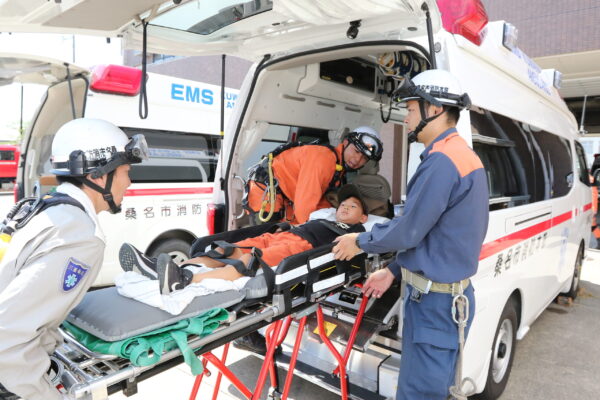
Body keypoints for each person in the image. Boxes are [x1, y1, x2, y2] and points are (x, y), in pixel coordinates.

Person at [333, 69, 489, 400]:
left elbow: (410, 230)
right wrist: (393, 270)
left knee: (418, 394)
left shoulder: (442, 161)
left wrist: (358, 241)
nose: (406, 117)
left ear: (435, 109)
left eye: (411, 109)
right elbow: (437, 234)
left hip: (435, 305)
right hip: (445, 301)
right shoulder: (460, 154)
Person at [0, 118, 147, 400]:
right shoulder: (78, 237)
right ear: (98, 175)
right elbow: (7, 335)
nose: (129, 182)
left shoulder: (48, 208)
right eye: (126, 171)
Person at [120, 184, 368, 296]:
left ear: (364, 216)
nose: (345, 207)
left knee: (248, 262)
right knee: (226, 250)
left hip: (300, 247)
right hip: (280, 235)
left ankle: (186, 280)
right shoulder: (322, 217)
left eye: (352, 206)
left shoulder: (358, 233)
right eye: (343, 204)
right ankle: (167, 269)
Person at [244, 126, 383, 225]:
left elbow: (319, 202)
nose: (358, 160)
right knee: (265, 241)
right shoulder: (323, 160)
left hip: (287, 198)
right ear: (346, 143)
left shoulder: (338, 167)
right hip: (266, 195)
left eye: (364, 158)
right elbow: (304, 209)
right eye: (356, 151)